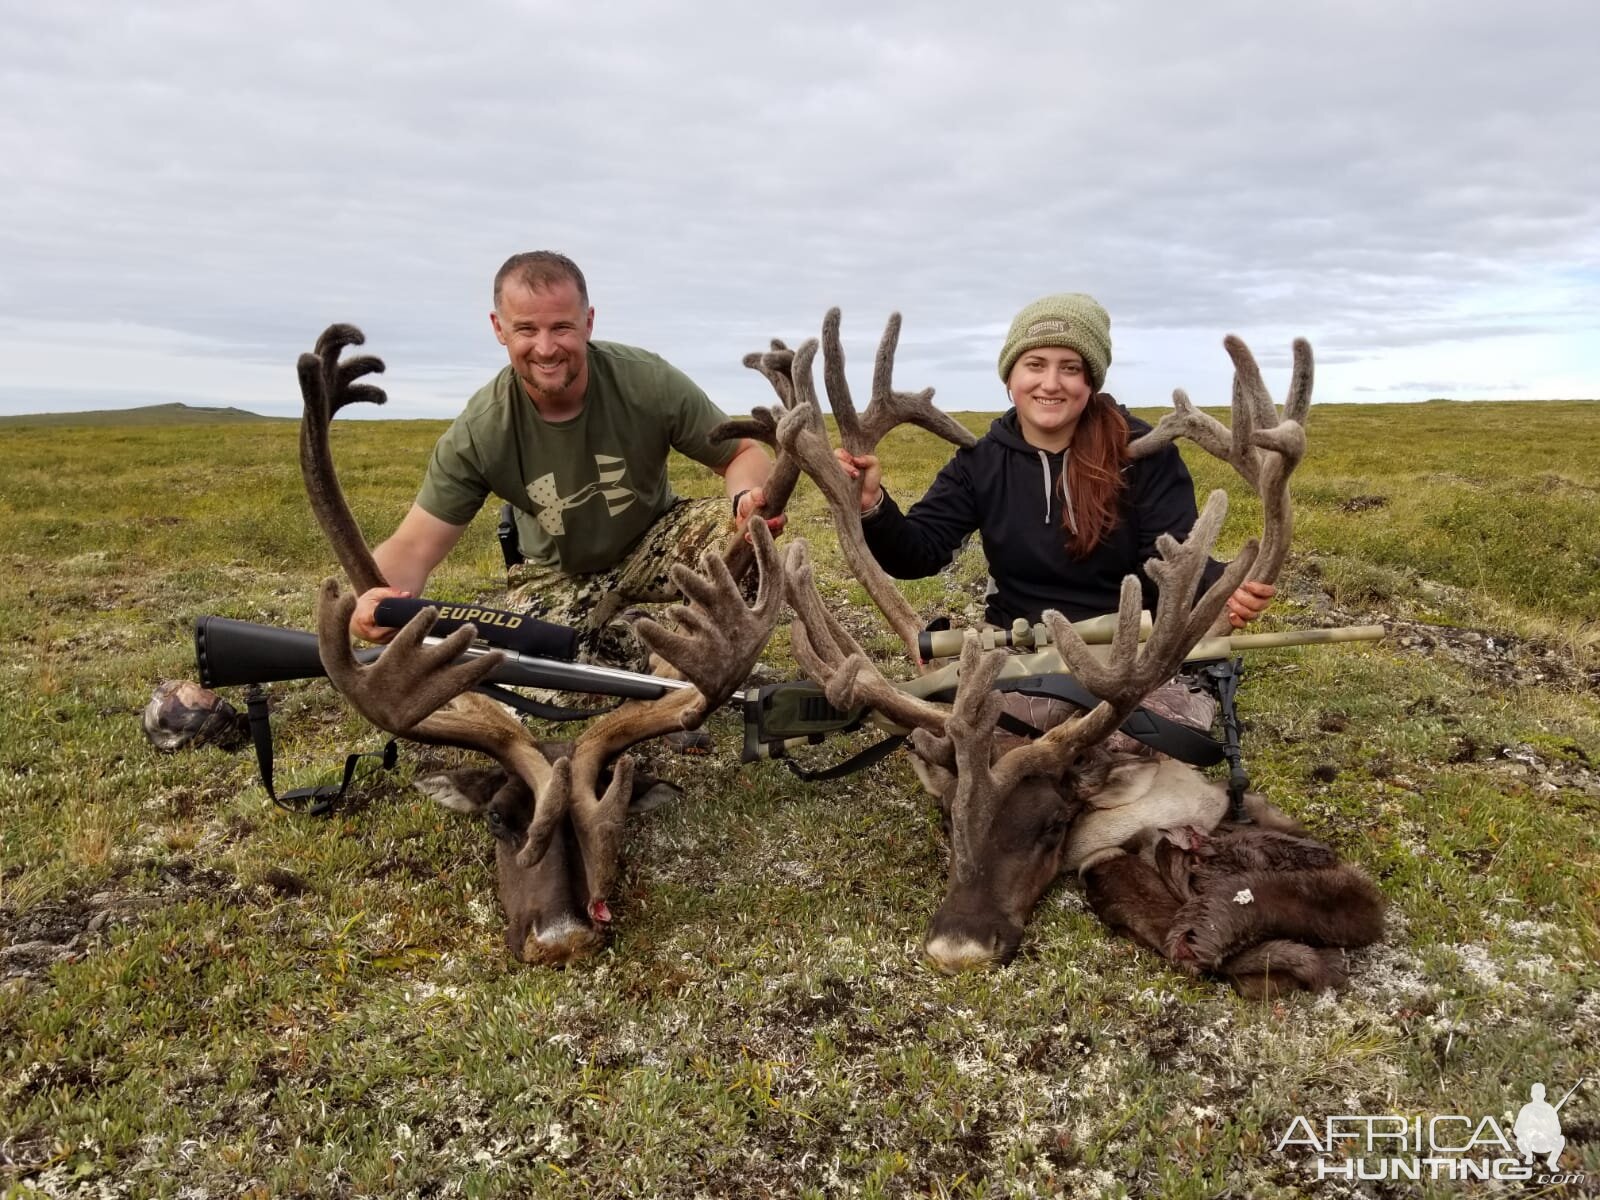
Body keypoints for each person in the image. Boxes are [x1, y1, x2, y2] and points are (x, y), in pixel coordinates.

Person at [835, 292, 1274, 744]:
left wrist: (1221, 587)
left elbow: (1171, 558)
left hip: (1128, 653)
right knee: (983, 746)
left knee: (1125, 746)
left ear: (1091, 381)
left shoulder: (1143, 453)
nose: (1051, 383)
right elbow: (917, 554)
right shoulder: (980, 462)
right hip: (1018, 651)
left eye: (1070, 368)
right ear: (1011, 376)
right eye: (1035, 365)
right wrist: (873, 503)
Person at [350, 251, 784, 669]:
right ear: (498, 328)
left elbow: (741, 452)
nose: (545, 348)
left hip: (653, 540)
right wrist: (375, 600)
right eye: (525, 330)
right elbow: (414, 545)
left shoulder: (646, 380)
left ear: (588, 322)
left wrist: (745, 498)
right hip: (554, 573)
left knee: (745, 544)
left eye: (561, 327)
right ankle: (643, 641)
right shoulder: (480, 430)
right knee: (545, 686)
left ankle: (681, 657)